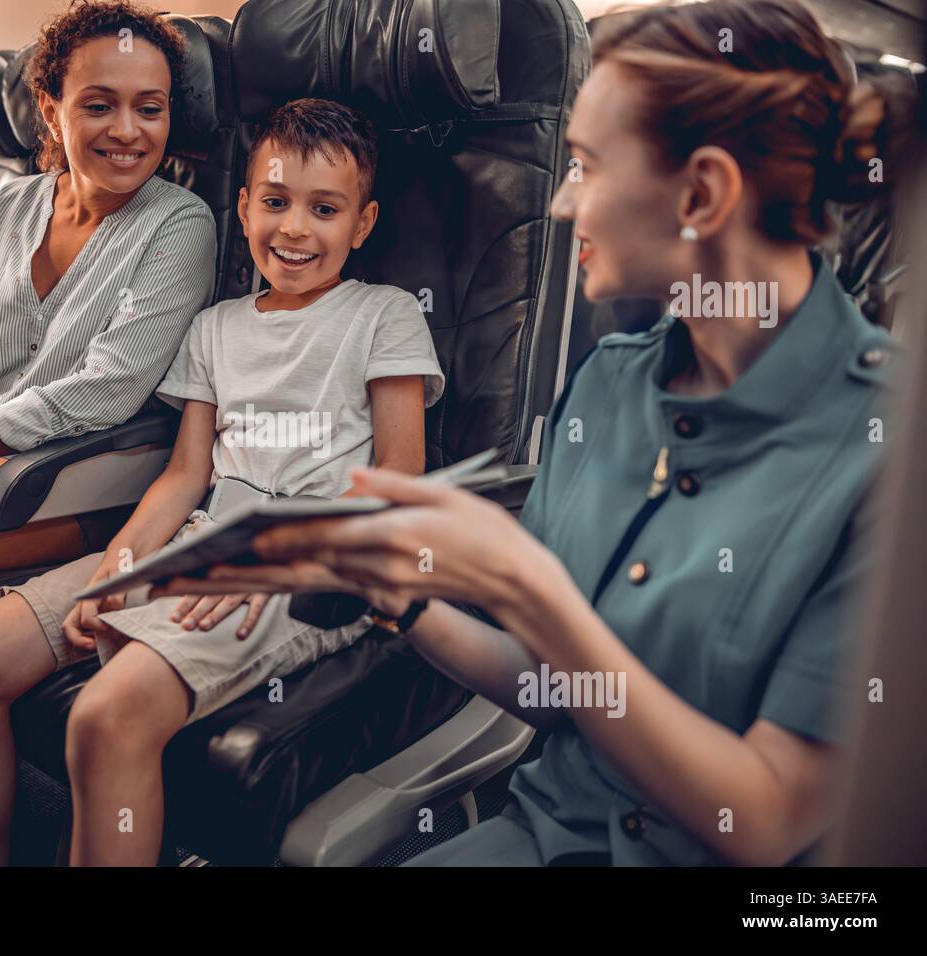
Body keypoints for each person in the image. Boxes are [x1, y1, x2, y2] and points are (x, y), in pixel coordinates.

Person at [157, 0, 899, 866]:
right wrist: (396, 597)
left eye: (585, 166)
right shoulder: (611, 385)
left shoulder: (888, 446)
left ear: (701, 194)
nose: (559, 201)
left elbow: (768, 824)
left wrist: (526, 588)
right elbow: (554, 696)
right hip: (544, 835)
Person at [0, 98, 445, 866]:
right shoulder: (215, 328)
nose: (295, 229)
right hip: (201, 538)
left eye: (324, 209)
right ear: (244, 207)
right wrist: (118, 568)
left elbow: (400, 483)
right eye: (275, 202)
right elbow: (183, 476)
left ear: (360, 225)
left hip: (316, 563)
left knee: (105, 715)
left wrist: (277, 557)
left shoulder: (385, 315)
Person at [0, 0, 215, 860]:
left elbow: (101, 394)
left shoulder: (181, 225)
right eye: (99, 103)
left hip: (76, 483)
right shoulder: (11, 206)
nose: (128, 129)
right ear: (50, 107)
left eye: (151, 106)